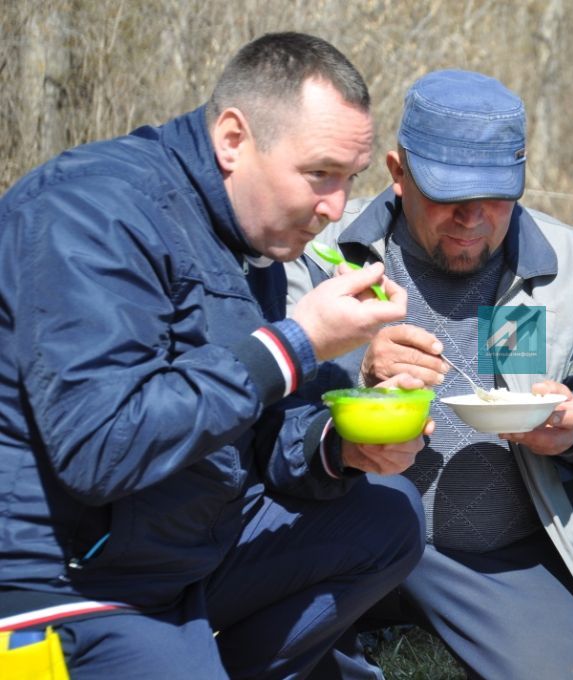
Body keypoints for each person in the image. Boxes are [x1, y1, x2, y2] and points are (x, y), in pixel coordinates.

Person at [0, 32, 434, 678]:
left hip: (180, 559)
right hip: (63, 583)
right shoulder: (89, 213)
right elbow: (101, 447)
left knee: (387, 518)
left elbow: (252, 430)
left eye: (349, 180)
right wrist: (297, 343)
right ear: (234, 139)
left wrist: (336, 447)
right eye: (320, 174)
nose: (335, 208)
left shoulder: (246, 234)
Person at [286, 69, 573, 679]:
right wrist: (356, 370)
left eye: (496, 196)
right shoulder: (320, 255)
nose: (473, 218)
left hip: (499, 555)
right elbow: (254, 394)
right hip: (338, 534)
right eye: (448, 196)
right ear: (398, 175)